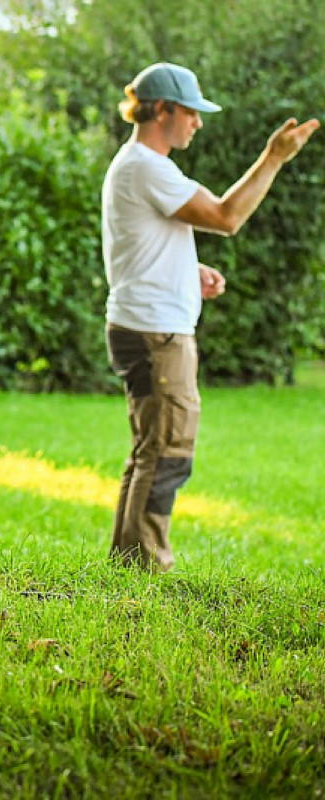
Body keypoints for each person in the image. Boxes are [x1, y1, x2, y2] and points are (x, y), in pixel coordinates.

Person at [102, 61, 319, 572]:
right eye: (192, 113)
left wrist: (186, 269)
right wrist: (273, 158)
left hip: (143, 325)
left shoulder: (134, 165)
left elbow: (140, 243)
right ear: (163, 111)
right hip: (156, 335)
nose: (198, 123)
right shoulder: (148, 167)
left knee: (150, 449)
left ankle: (127, 563)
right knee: (168, 451)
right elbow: (227, 216)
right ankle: (147, 566)